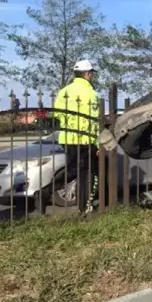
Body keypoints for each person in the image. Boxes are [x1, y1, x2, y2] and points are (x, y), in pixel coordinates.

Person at [53, 60, 100, 214]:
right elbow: (95, 120)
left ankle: (48, 189)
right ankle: (85, 206)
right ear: (87, 74)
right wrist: (97, 144)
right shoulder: (91, 93)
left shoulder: (64, 91)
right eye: (92, 73)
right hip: (86, 140)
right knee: (87, 174)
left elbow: (57, 113)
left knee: (72, 170)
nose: (92, 76)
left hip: (68, 139)